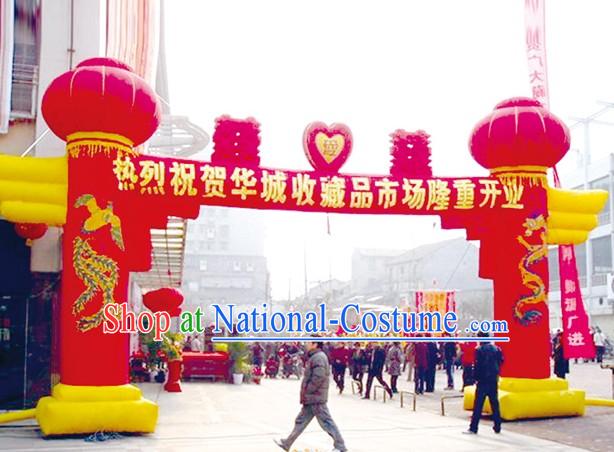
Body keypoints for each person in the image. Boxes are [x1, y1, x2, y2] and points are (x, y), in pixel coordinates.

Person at [275, 338, 347, 452]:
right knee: (300, 421)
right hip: (312, 397)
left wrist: (309, 390)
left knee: (327, 422)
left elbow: (318, 377)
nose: (306, 344)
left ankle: (340, 446)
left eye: (309, 342)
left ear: (315, 344)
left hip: (316, 397)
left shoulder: (319, 357)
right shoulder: (314, 356)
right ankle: (287, 443)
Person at [465, 332, 503, 435]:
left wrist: (475, 378)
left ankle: (473, 427)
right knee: (494, 403)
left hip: (483, 380)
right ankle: (497, 426)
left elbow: (478, 366)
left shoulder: (479, 350)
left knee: (478, 405)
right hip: (493, 379)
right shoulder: (497, 349)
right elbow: (501, 361)